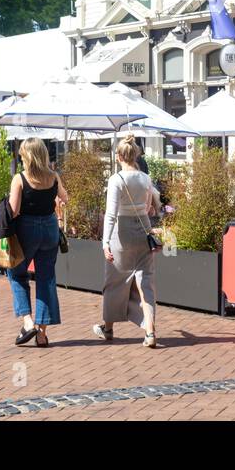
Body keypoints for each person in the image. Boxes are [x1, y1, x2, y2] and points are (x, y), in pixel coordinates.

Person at [95, 135, 161, 348]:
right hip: (143, 230)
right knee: (146, 282)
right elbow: (149, 207)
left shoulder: (116, 180)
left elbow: (111, 214)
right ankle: (150, 331)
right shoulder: (145, 179)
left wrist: (105, 242)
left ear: (119, 156)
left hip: (120, 233)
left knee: (114, 281)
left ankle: (108, 328)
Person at [6, 137, 69, 348]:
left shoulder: (20, 179)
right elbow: (65, 198)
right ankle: (42, 335)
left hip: (27, 229)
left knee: (16, 273)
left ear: (27, 156)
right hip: (50, 229)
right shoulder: (53, 176)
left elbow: (13, 210)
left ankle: (28, 322)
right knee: (46, 278)